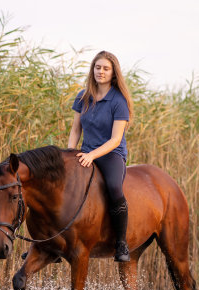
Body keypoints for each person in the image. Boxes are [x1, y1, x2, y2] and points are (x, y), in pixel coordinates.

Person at [67, 50, 134, 262]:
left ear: (113, 72)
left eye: (105, 68)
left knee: (114, 188)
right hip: (84, 153)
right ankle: (54, 241)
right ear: (92, 69)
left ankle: (121, 243)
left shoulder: (119, 101)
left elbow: (115, 139)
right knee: (61, 184)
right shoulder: (82, 96)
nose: (101, 72)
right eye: (97, 67)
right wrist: (71, 153)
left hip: (110, 154)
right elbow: (75, 130)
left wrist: (92, 156)